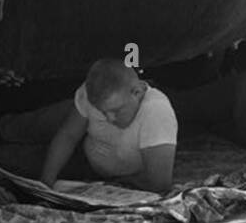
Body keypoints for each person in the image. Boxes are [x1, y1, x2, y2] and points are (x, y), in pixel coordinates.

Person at [38, 59, 178, 193]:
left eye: (117, 110)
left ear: (138, 92)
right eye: (101, 111)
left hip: (132, 182)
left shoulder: (156, 110)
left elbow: (160, 184)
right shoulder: (93, 93)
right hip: (87, 168)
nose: (109, 118)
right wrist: (45, 183)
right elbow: (69, 135)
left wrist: (116, 184)